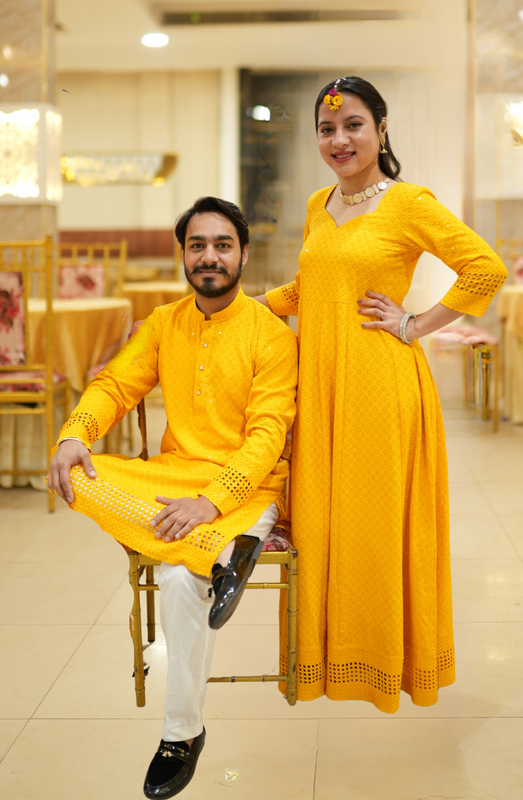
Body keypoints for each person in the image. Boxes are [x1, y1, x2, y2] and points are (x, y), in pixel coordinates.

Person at [255, 76, 508, 713]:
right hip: (321, 386)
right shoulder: (318, 204)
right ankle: (326, 659)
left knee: (372, 525)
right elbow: (309, 289)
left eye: (353, 126)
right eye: (327, 129)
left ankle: (383, 660)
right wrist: (245, 307)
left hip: (379, 385)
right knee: (322, 521)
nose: (339, 140)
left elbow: (485, 267)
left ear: (381, 128)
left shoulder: (408, 202)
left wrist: (414, 323)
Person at [48, 196, 298, 798]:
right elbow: (115, 384)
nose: (209, 256)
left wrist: (213, 501)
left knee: (181, 580)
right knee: (76, 473)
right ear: (183, 254)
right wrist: (75, 434)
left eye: (222, 245)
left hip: (247, 487)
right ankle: (221, 552)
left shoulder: (272, 335)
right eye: (197, 245)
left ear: (243, 254)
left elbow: (268, 436)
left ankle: (180, 735)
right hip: (172, 478)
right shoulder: (163, 323)